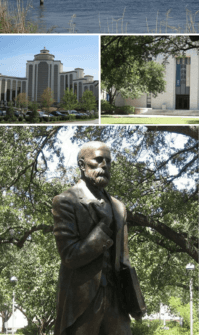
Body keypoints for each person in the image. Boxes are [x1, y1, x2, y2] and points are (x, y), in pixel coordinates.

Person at [52, 141, 144, 335]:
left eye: (108, 162)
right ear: (82, 164)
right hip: (82, 304)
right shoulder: (66, 201)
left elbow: (124, 258)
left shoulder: (119, 207)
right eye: (98, 160)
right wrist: (103, 227)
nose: (104, 166)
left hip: (117, 302)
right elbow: (69, 256)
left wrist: (135, 298)